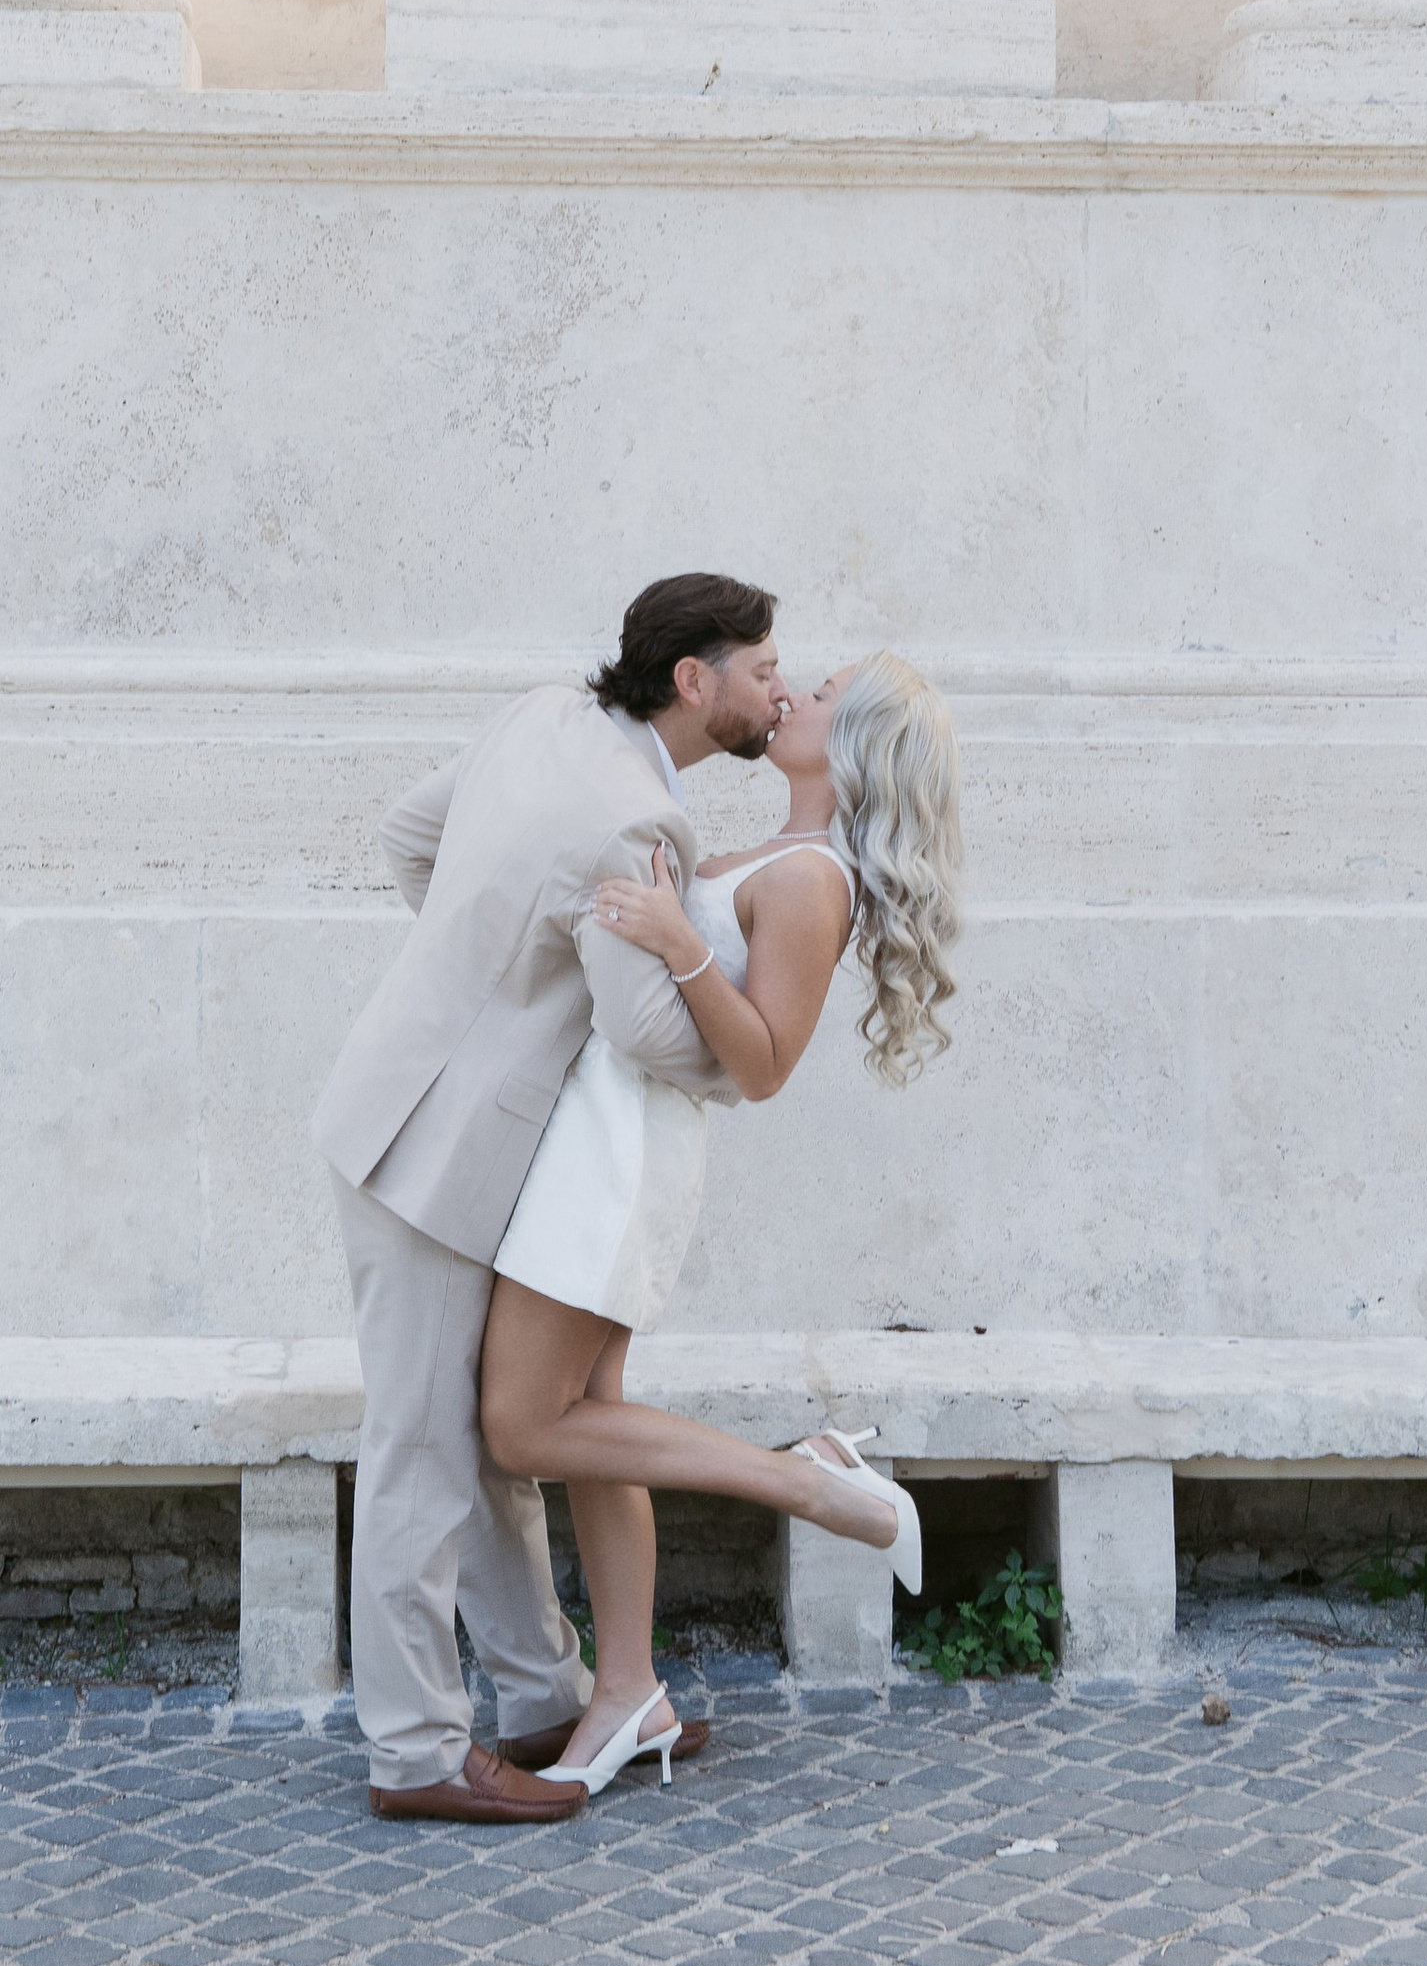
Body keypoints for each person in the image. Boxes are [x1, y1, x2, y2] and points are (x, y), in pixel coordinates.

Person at [312, 572, 787, 1823]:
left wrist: (489, 985)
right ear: (697, 682)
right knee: (422, 1449)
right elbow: (640, 1032)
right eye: (762, 667)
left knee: (483, 1441)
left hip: (410, 1113)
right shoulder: (638, 826)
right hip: (431, 1154)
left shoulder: (538, 715)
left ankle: (539, 1697)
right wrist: (737, 1064)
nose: (778, 688)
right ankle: (415, 1750)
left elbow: (410, 839)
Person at [479, 654, 964, 1795]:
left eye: (826, 694)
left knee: (519, 1426)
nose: (793, 692)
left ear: (858, 750)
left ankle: (804, 1482)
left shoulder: (812, 880)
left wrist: (676, 939)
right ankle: (628, 1692)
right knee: (587, 1420)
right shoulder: (766, 851)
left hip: (624, 1153)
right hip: (598, 1130)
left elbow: (763, 1065)